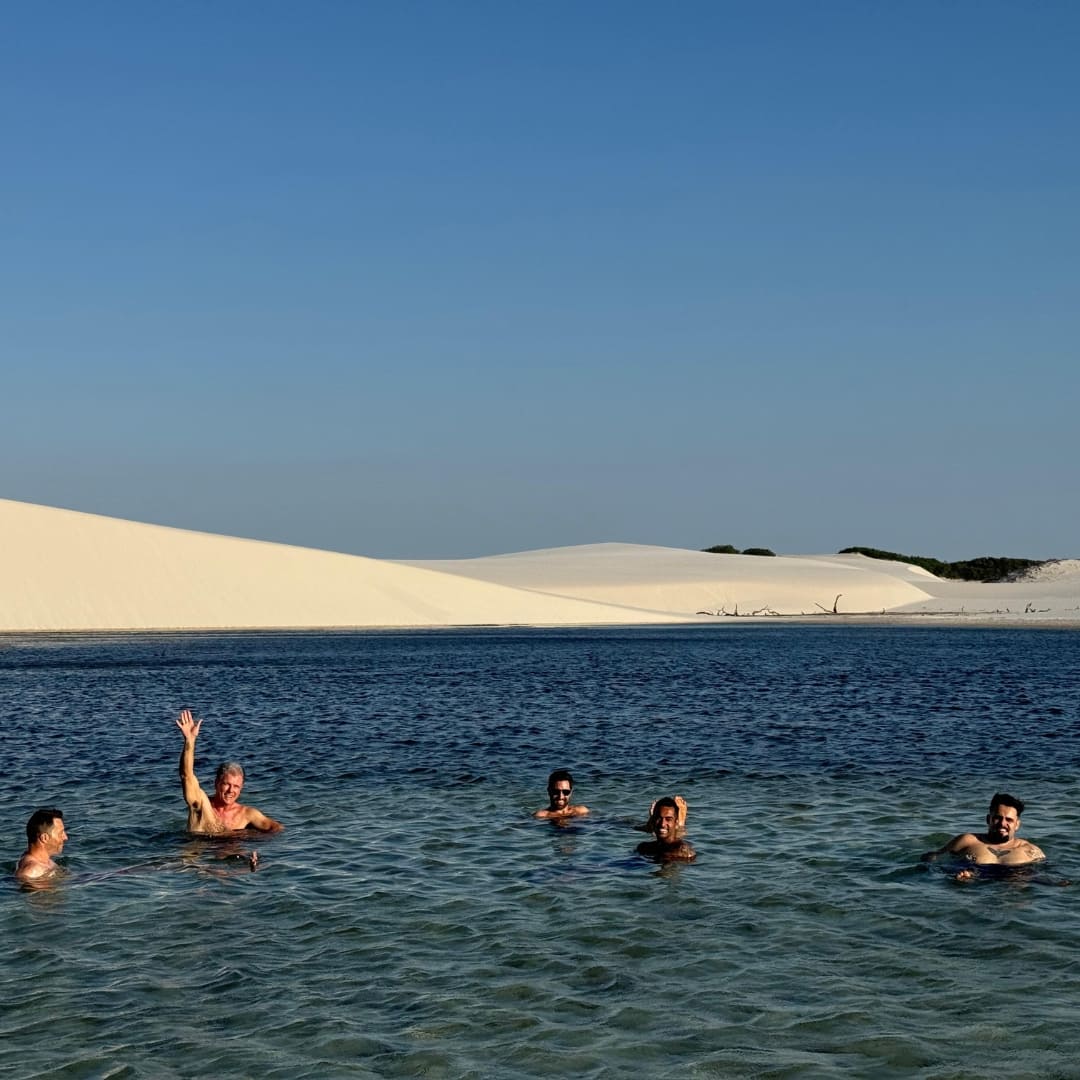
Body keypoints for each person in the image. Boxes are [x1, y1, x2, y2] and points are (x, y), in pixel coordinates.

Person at [176, 708, 283, 835]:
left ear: (241, 787)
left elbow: (276, 828)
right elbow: (186, 775)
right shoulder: (200, 804)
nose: (231, 790)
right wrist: (190, 740)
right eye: (227, 784)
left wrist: (253, 839)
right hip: (201, 852)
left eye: (236, 786)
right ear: (216, 783)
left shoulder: (246, 814)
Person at [922, 793, 1044, 879]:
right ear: (988, 819)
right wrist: (954, 874)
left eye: (1009, 820)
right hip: (974, 888)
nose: (1003, 823)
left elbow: (1045, 874)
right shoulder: (968, 841)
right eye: (997, 818)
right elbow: (932, 858)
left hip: (1012, 890)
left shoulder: (1030, 850)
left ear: (1017, 825)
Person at [15, 807, 68, 882]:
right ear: (44, 838)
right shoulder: (32, 871)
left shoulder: (44, 862)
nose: (65, 837)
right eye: (60, 833)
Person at [636, 797, 695, 862]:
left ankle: (681, 825)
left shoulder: (683, 852)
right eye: (659, 818)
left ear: (676, 823)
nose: (662, 824)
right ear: (654, 820)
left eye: (668, 819)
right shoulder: (643, 847)